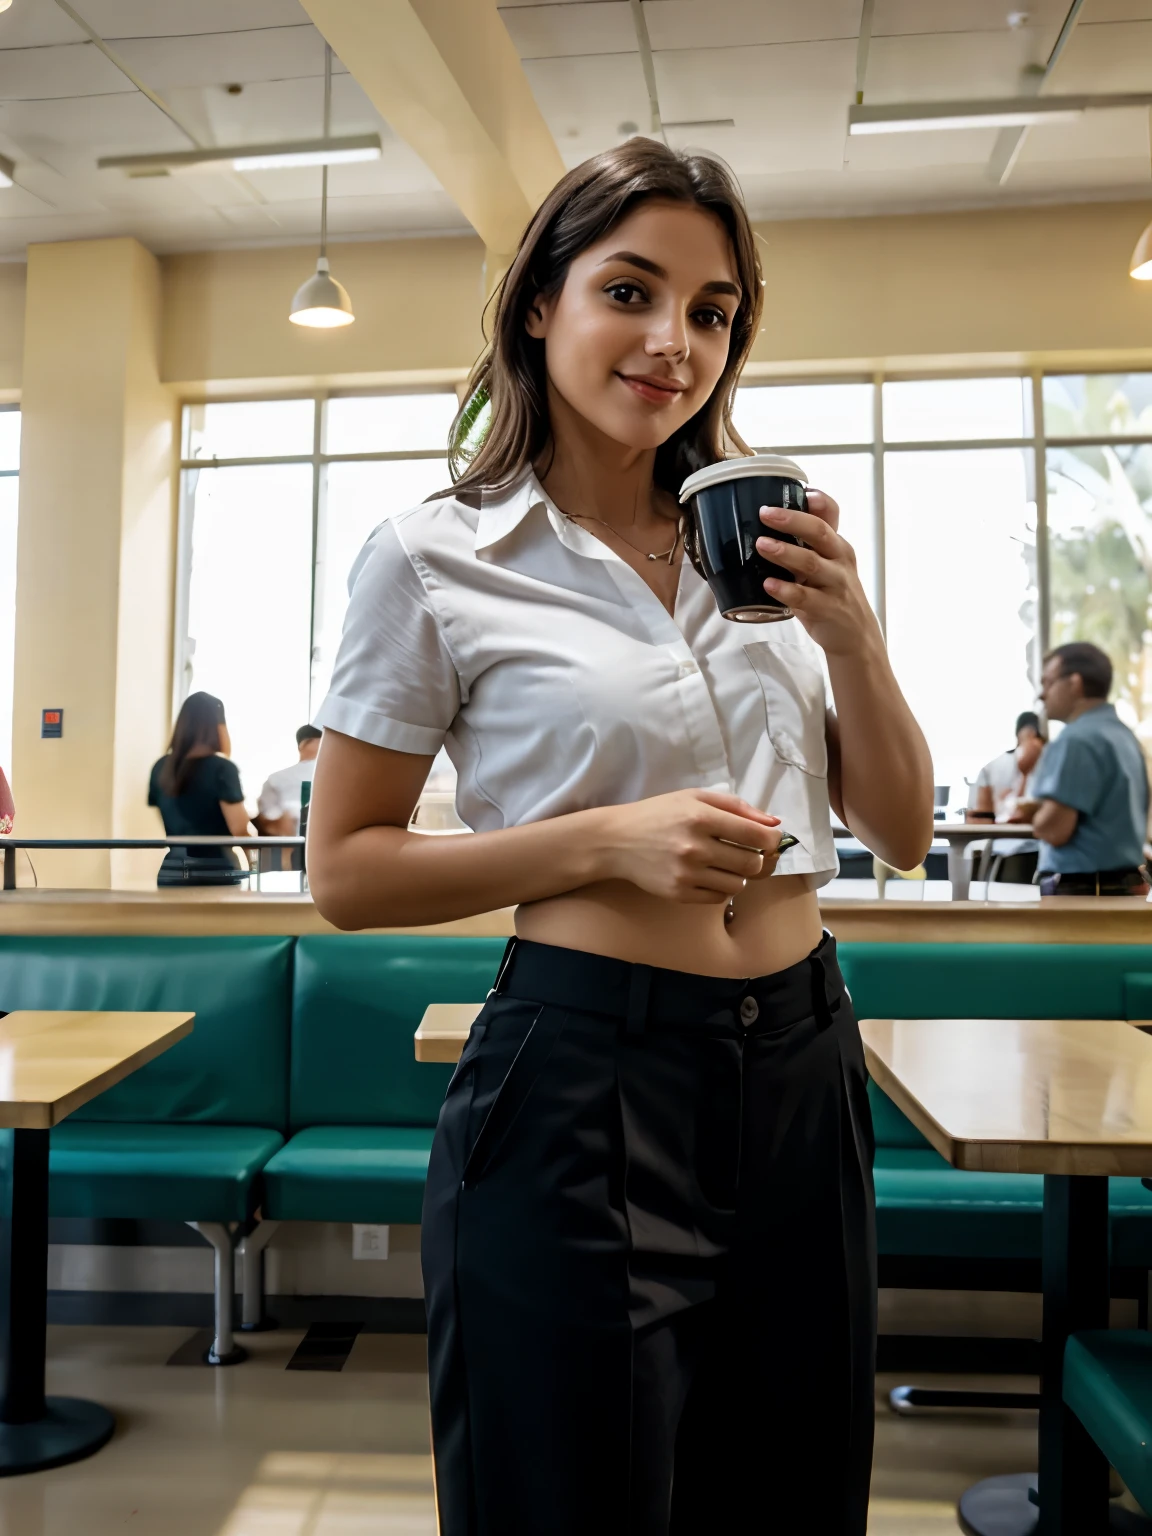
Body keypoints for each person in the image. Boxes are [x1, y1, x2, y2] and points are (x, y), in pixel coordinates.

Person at [306, 140, 933, 1534]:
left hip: (802, 1059)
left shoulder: (755, 552)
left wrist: (855, 636)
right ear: (542, 301)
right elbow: (344, 869)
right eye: (632, 291)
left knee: (791, 1499)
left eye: (713, 313)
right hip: (580, 1078)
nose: (675, 343)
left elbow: (897, 827)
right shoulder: (436, 556)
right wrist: (600, 843)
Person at [1031, 641, 1150, 896]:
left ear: (1075, 683)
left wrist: (1038, 818)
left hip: (1085, 891)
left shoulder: (1076, 740)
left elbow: (1055, 830)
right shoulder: (1124, 736)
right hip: (1125, 884)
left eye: (1048, 683)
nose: (1042, 694)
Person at [148, 692, 252, 886]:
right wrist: (254, 864)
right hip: (217, 870)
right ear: (217, 727)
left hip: (173, 871)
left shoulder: (160, 767)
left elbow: (168, 816)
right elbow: (239, 827)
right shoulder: (222, 768)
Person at [966, 710, 1046, 884]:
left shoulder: (991, 767)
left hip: (999, 855)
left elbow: (976, 820)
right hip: (1037, 855)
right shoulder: (1053, 764)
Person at [256, 724, 321, 835]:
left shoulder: (339, 775)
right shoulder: (276, 779)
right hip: (293, 843)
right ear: (305, 744)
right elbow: (268, 817)